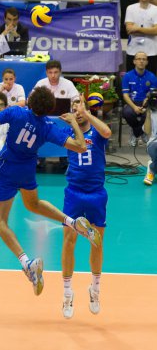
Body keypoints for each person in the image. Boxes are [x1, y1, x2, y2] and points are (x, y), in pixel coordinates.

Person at [0, 87, 102, 296]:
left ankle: (27, 263)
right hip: (27, 169)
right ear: (49, 107)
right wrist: (75, 123)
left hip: (8, 168)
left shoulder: (15, 112)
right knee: (33, 203)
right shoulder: (49, 127)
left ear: (30, 101)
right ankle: (72, 222)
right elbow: (80, 147)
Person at [61, 98, 111, 319]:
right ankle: (67, 293)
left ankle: (95, 289)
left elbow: (108, 132)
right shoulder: (68, 132)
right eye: (73, 108)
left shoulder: (98, 133)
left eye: (79, 107)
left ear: (87, 109)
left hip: (96, 194)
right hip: (73, 193)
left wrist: (87, 113)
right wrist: (72, 121)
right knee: (69, 241)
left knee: (96, 242)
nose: (77, 111)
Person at [34, 60, 79, 168]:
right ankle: (40, 158)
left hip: (63, 118)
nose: (53, 75)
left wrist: (75, 106)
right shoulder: (41, 84)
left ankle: (64, 158)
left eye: (56, 72)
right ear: (46, 72)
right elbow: (32, 99)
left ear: (60, 72)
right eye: (50, 72)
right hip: (44, 118)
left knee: (67, 126)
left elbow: (76, 100)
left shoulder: (68, 84)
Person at [122, 51, 157, 147]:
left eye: (144, 59)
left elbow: (153, 93)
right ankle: (140, 132)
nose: (141, 61)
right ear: (134, 61)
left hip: (146, 102)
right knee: (127, 113)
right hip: (132, 102)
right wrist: (134, 107)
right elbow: (125, 95)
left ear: (147, 62)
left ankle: (135, 133)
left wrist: (147, 100)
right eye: (139, 59)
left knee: (148, 114)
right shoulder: (127, 76)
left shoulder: (152, 76)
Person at [125, 0, 157, 74]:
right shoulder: (130, 8)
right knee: (131, 77)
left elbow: (156, 31)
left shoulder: (156, 10)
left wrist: (137, 28)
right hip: (133, 50)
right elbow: (129, 29)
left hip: (151, 51)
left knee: (150, 81)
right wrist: (149, 30)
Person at [142, 90, 157, 186]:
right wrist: (147, 112)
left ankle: (152, 166)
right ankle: (151, 171)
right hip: (154, 143)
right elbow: (147, 132)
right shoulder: (151, 113)